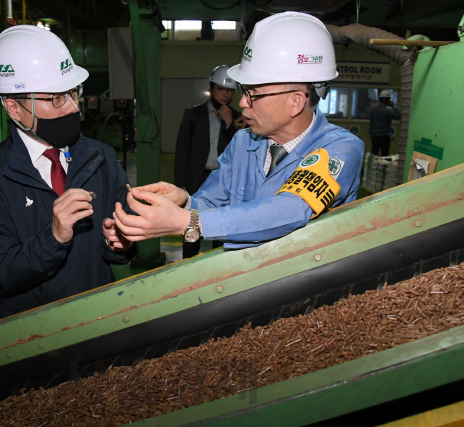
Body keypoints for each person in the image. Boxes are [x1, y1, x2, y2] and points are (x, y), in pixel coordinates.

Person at [112, 12, 364, 250]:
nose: (242, 103)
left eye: (253, 94)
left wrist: (189, 222)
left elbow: (291, 208)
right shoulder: (243, 141)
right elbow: (212, 202)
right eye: (244, 92)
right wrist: (185, 203)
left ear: (295, 101)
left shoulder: (339, 149)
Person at [0, 25, 136, 320]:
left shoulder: (100, 158)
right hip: (34, 336)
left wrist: (122, 243)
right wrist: (54, 238)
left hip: (101, 318)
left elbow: (118, 245)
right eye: (56, 98)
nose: (73, 108)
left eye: (72, 92)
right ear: (14, 108)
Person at [174, 65, 245, 258]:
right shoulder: (193, 115)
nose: (225, 94)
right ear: (211, 88)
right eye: (221, 89)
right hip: (196, 178)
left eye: (229, 91)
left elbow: (240, 151)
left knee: (220, 226)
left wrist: (230, 124)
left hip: (222, 179)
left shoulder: (239, 119)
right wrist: (181, 185)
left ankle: (216, 266)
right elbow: (181, 153)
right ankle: (187, 264)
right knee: (191, 224)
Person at [369, 90, 401, 156]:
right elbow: (398, 116)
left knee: (374, 153)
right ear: (387, 100)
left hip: (374, 135)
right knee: (384, 154)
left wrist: (371, 134)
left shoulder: (374, 111)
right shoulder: (388, 111)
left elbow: (371, 123)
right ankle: (382, 166)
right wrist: (394, 106)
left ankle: (371, 166)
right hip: (384, 136)